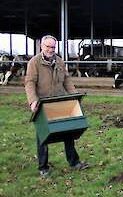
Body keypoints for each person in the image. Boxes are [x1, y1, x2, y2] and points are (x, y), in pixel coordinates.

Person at [25, 35, 88, 177]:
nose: (50, 49)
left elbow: (66, 80)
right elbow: (29, 82)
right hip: (42, 104)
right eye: (47, 46)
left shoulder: (59, 61)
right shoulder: (34, 62)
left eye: (53, 47)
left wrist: (75, 95)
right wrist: (33, 101)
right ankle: (43, 167)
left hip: (60, 102)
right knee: (42, 137)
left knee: (68, 132)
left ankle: (74, 162)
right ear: (41, 46)